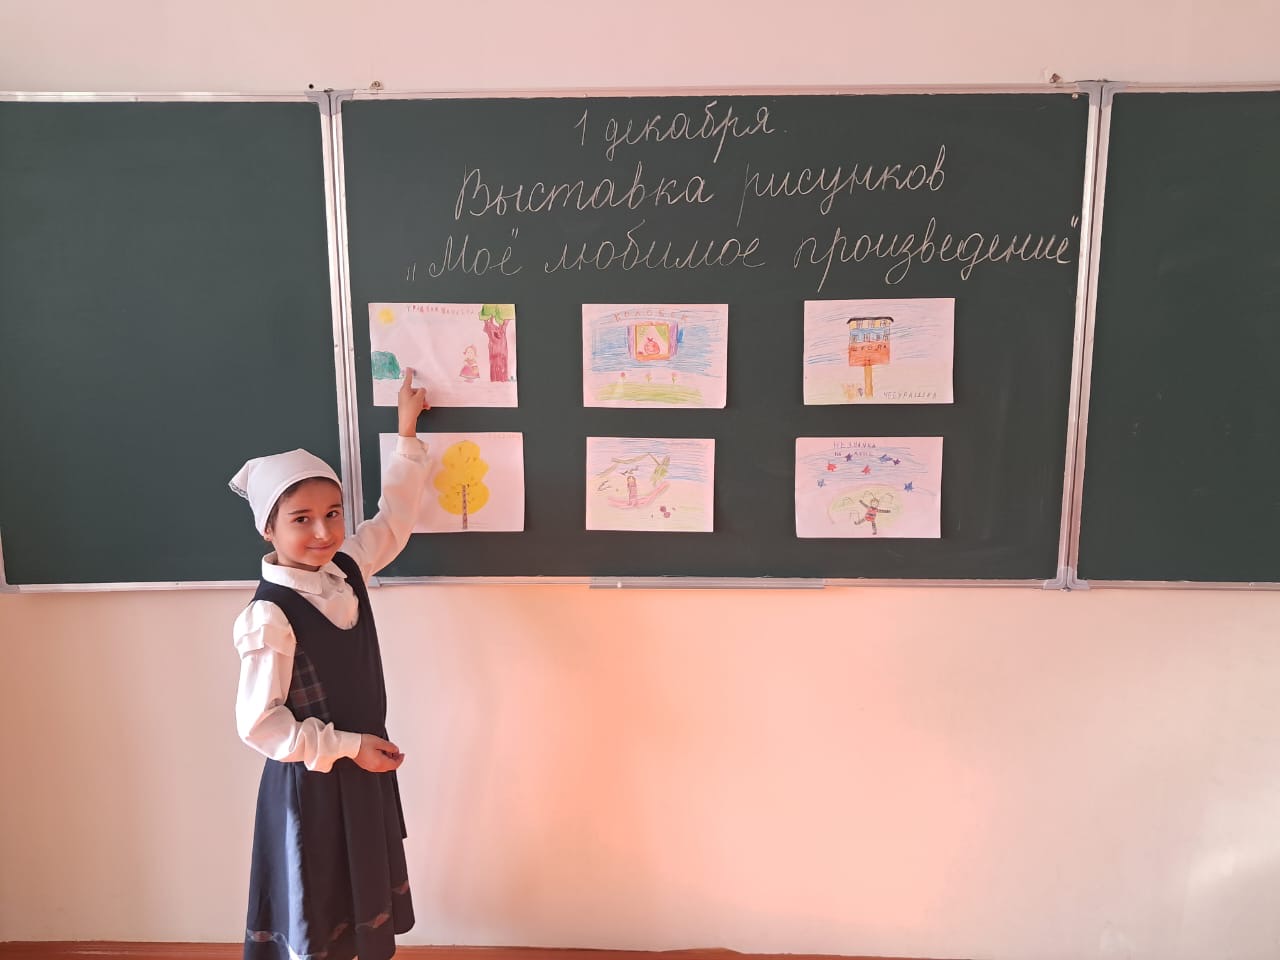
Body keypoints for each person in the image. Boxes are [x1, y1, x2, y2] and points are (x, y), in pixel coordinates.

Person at [230, 368, 430, 960]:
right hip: (312, 786)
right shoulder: (268, 616)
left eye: (334, 513)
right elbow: (260, 726)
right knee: (319, 913)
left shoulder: (344, 569)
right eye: (301, 519)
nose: (324, 531)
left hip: (361, 769)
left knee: (359, 911)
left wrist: (407, 435)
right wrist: (347, 746)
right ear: (268, 527)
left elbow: (392, 523)